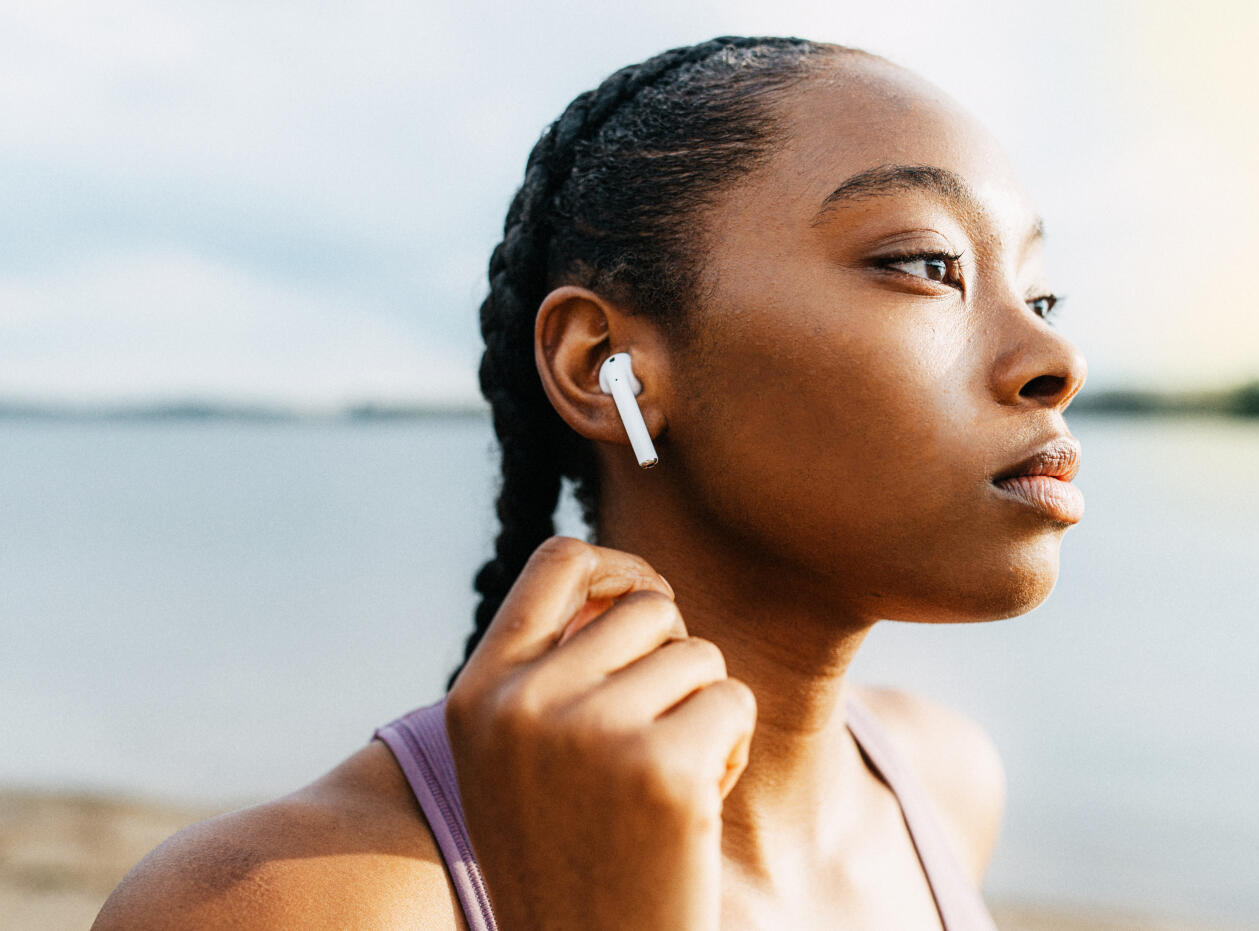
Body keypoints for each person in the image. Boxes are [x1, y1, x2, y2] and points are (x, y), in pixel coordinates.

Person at [95, 34, 1085, 929]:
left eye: (1037, 292)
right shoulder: (282, 902)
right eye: (923, 263)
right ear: (605, 367)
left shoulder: (940, 785)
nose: (1052, 357)